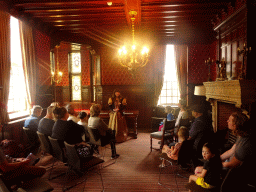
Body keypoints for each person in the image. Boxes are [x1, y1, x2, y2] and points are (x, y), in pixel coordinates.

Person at [220, 112, 255, 191]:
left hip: (239, 173)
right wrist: (217, 158)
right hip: (232, 165)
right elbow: (232, 150)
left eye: (229, 120)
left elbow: (231, 164)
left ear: (235, 125)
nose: (227, 121)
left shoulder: (245, 144)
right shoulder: (241, 134)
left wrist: (216, 164)